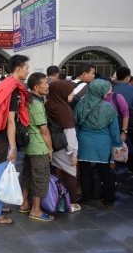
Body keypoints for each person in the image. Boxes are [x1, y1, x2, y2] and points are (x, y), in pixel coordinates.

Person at [0, 54, 31, 225]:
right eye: (26, 68)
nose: (28, 71)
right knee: (0, 175)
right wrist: (12, 147)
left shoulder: (6, 85)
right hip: (4, 139)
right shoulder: (12, 90)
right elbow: (11, 121)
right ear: (18, 69)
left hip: (1, 137)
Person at [74, 79, 122, 209]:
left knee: (84, 171)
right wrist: (118, 144)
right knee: (106, 172)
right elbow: (114, 129)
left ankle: (86, 199)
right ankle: (108, 200)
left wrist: (74, 143)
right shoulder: (108, 107)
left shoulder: (81, 105)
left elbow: (76, 125)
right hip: (103, 143)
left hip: (84, 141)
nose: (107, 94)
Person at [19, 73, 54, 222]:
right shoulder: (37, 104)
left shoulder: (27, 99)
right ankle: (36, 210)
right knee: (40, 178)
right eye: (45, 83)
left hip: (28, 145)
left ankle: (24, 203)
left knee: (27, 175)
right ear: (36, 86)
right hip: (39, 147)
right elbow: (44, 130)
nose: (47, 86)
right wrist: (50, 149)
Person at [45, 80, 81, 213]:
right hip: (64, 147)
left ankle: (56, 197)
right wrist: (73, 154)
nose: (72, 96)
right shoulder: (64, 109)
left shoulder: (48, 104)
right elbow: (70, 133)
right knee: (71, 173)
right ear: (62, 93)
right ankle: (72, 203)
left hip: (52, 144)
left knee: (56, 171)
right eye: (70, 93)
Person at [113, 67, 133, 173]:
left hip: (111, 125)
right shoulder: (131, 89)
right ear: (127, 77)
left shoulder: (111, 88)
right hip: (127, 126)